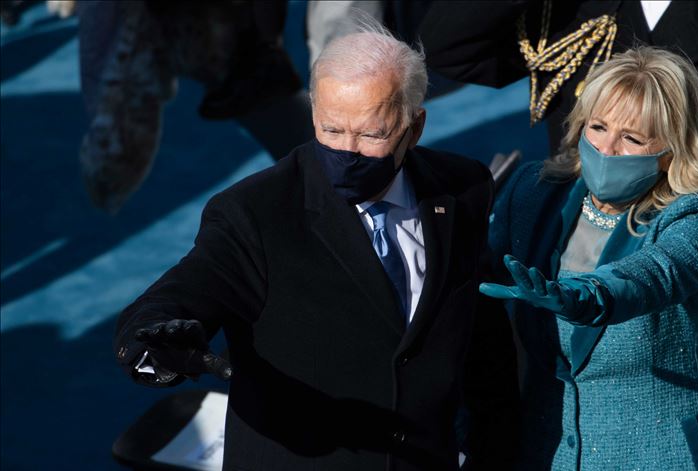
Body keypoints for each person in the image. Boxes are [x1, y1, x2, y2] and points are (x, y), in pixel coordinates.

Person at [420, 2, 698, 468]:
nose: (608, 145)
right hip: (563, 264)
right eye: (598, 127)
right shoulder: (576, 6)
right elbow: (447, 49)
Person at [113, 22, 519, 471]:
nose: (347, 152)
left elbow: (483, 337)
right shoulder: (254, 213)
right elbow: (185, 290)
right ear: (313, 113)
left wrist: (496, 446)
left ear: (414, 126)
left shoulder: (463, 189)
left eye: (371, 135)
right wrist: (153, 338)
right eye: (331, 130)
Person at [480, 47, 698, 470]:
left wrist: (590, 295)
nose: (607, 148)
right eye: (597, 127)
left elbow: (658, 272)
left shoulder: (697, 215)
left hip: (658, 455)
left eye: (632, 138)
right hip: (545, 449)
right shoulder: (532, 192)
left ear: (671, 151)